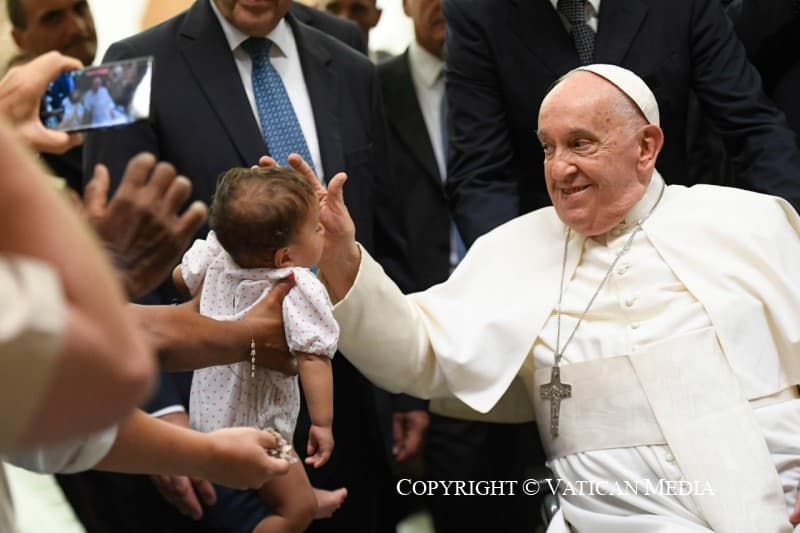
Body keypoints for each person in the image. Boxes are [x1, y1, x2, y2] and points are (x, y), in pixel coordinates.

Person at [307, 65, 800, 530]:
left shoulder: (749, 224)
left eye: (580, 144)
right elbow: (415, 353)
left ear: (646, 146)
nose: (560, 169)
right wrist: (341, 259)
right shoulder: (514, 249)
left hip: (772, 503)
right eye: (547, 148)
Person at [83, 1, 409, 531]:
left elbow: (386, 220)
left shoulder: (347, 47)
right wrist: (164, 419)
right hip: (212, 409)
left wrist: (404, 384)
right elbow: (111, 252)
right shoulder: (120, 66)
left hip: (349, 399)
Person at [442, 0, 800, 246]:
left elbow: (751, 127)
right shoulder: (478, 10)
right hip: (555, 242)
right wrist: (517, 277)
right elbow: (481, 172)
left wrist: (786, 235)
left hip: (677, 232)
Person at [175, 166, 346, 531]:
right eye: (317, 227)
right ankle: (301, 502)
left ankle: (302, 493)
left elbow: (181, 277)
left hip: (207, 416)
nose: (322, 230)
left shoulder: (218, 254)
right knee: (294, 512)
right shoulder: (295, 284)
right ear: (285, 256)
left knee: (280, 471)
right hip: (263, 433)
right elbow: (314, 356)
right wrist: (323, 423)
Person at [6, 0, 98, 193]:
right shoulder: (11, 128)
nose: (77, 27)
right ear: (19, 39)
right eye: (53, 18)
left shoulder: (111, 89)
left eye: (80, 8)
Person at [318, 0, 386, 61]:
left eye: (358, 9)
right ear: (316, 10)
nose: (345, 19)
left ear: (377, 16)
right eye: (334, 9)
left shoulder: (390, 72)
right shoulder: (308, 70)